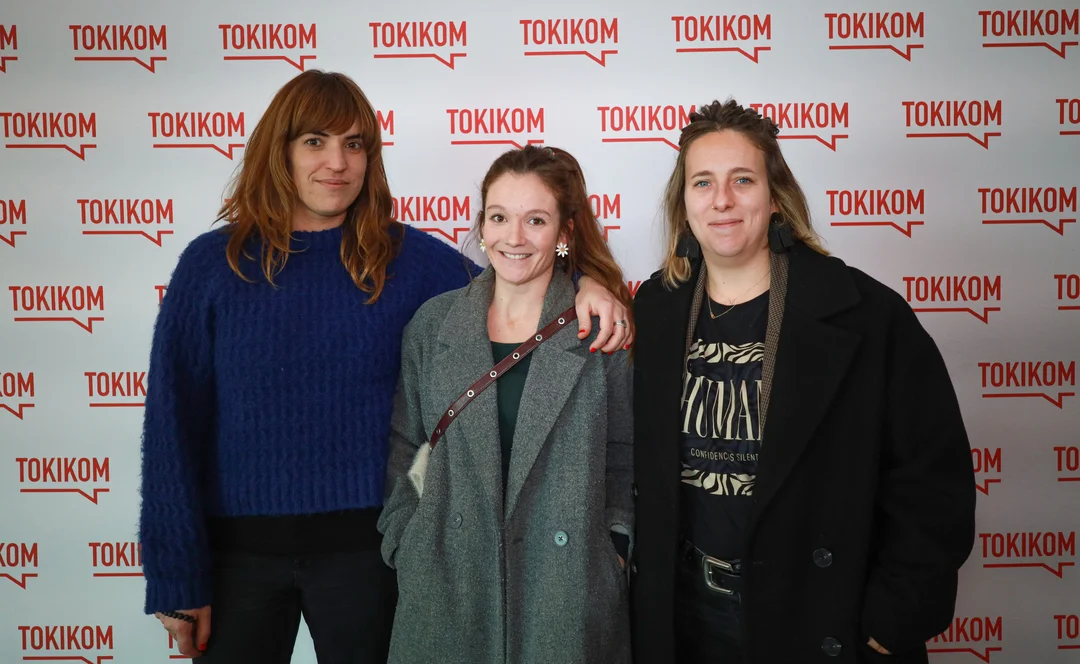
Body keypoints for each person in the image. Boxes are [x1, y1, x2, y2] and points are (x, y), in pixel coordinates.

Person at [138, 71, 632, 663]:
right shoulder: (211, 267)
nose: (337, 163)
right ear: (279, 150)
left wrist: (589, 284)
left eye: (354, 144)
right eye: (315, 141)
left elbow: (520, 277)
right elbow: (171, 428)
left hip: (365, 561)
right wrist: (175, 573)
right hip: (235, 562)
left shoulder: (412, 261)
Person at [629, 99, 976, 663]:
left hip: (816, 612)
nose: (722, 199)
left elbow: (934, 478)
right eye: (703, 182)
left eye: (743, 179)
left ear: (775, 197)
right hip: (684, 612)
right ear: (684, 203)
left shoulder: (865, 314)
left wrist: (896, 616)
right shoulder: (654, 309)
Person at [377, 145, 634, 664]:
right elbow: (406, 446)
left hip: (566, 590)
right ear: (481, 225)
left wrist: (615, 550)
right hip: (445, 587)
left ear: (564, 232)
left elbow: (624, 454)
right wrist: (406, 541)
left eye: (535, 220)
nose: (513, 237)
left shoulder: (600, 328)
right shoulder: (433, 324)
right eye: (498, 217)